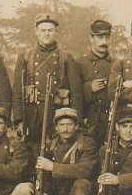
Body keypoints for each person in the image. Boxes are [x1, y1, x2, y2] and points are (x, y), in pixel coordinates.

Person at [12, 14, 83, 154]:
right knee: (30, 153)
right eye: (43, 30)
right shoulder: (25, 57)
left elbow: (76, 93)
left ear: (55, 32)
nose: (47, 33)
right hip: (32, 115)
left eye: (50, 30)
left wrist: (76, 121)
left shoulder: (66, 57)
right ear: (36, 32)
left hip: (57, 114)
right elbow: (17, 91)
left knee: (55, 151)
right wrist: (19, 119)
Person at [32, 107, 98, 195]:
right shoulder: (50, 144)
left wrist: (53, 167)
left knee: (82, 185)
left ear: (76, 126)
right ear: (56, 127)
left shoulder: (87, 143)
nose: (66, 129)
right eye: (62, 125)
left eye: (69, 124)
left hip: (78, 194)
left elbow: (85, 170)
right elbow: (43, 176)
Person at [78, 19, 115, 146]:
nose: (104, 42)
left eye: (107, 37)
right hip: (87, 121)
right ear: (91, 38)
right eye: (100, 37)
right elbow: (72, 94)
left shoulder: (116, 64)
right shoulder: (79, 63)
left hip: (109, 122)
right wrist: (89, 88)